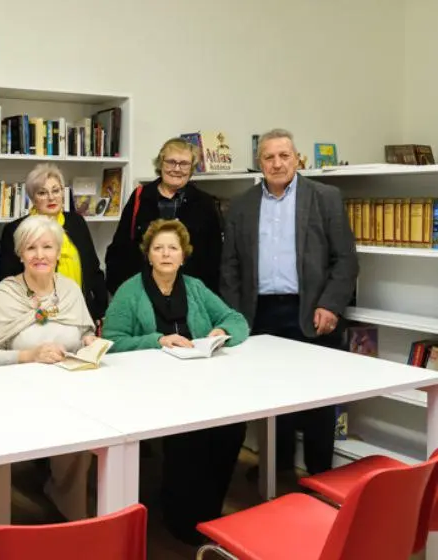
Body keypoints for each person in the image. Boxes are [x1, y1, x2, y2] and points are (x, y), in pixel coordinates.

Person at [221, 128, 359, 477]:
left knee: (317, 400)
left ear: (297, 158)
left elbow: (345, 259)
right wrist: (237, 317)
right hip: (260, 315)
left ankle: (320, 477)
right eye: (269, 157)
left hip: (311, 311)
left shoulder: (325, 197)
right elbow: (231, 267)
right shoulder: (241, 206)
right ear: (259, 163)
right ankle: (277, 471)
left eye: (284, 156)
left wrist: (330, 304)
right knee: (270, 399)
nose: (277, 163)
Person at [103, 219, 249, 545]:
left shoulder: (195, 287)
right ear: (148, 255)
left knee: (232, 428)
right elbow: (111, 340)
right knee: (187, 438)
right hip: (149, 386)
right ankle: (180, 516)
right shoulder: (130, 290)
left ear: (184, 255)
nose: (166, 254)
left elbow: (235, 319)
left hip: (197, 381)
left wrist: (221, 332)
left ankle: (209, 510)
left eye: (173, 248)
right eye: (159, 248)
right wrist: (157, 340)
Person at [0, 215, 97, 521]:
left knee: (89, 424)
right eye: (32, 248)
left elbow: (84, 332)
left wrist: (89, 340)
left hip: (69, 389)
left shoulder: (69, 290)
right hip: (17, 395)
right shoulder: (4, 294)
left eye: (47, 247)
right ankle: (1, 520)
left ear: (58, 252)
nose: (40, 255)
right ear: (20, 254)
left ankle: (71, 508)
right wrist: (29, 355)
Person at [105, 137, 224, 295]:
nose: (176, 169)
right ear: (161, 163)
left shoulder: (205, 203)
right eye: (171, 162)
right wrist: (120, 291)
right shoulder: (140, 197)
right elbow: (120, 247)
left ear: (191, 168)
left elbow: (215, 257)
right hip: (142, 292)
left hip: (190, 295)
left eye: (184, 164)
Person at [0, 163, 107, 323]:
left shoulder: (76, 222)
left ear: (63, 193)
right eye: (42, 192)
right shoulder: (17, 229)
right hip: (37, 316)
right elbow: (9, 279)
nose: (51, 197)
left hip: (79, 311)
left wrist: (99, 309)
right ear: (32, 197)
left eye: (56, 190)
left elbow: (93, 269)